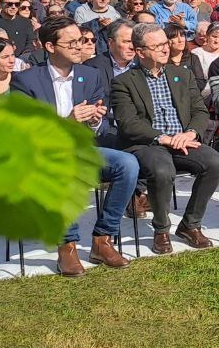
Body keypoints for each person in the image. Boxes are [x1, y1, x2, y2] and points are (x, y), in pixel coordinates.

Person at [10, 17, 137, 275]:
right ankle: (67, 245)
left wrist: (94, 121)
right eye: (71, 43)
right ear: (50, 47)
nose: (79, 47)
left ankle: (103, 239)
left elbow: (100, 127)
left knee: (127, 163)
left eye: (80, 41)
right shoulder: (25, 81)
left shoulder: (90, 76)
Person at [112, 23, 219, 254]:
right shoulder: (123, 82)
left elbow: (199, 110)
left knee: (214, 162)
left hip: (182, 139)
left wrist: (191, 133)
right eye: (158, 46)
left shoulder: (182, 74)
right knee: (163, 170)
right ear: (140, 51)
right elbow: (128, 124)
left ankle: (190, 224)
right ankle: (161, 230)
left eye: (166, 43)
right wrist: (162, 138)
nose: (166, 49)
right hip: (148, 143)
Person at [165, 24, 206, 93]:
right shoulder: (163, 60)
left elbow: (200, 82)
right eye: (175, 37)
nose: (180, 40)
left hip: (191, 97)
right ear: (167, 40)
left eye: (182, 36)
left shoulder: (192, 58)